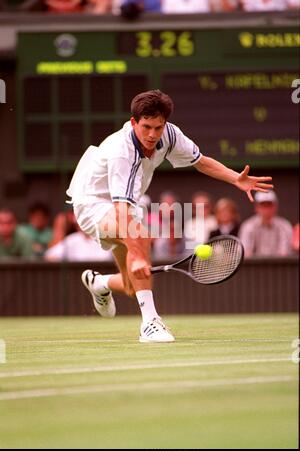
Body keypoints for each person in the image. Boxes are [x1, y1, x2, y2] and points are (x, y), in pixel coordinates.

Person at [66, 89, 273, 343]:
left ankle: (100, 283)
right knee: (138, 234)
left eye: (158, 127)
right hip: (92, 202)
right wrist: (139, 252)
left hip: (122, 202)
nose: (152, 134)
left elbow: (201, 161)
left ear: (165, 124)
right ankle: (150, 323)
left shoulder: (170, 135)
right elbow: (122, 214)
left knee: (133, 286)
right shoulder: (123, 153)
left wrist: (235, 179)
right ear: (134, 123)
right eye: (146, 127)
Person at [239, 190, 293, 257]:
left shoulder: (285, 225)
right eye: (263, 205)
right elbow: (246, 252)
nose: (266, 209)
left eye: (269, 205)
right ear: (256, 207)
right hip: (254, 266)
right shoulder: (248, 226)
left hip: (279, 266)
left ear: (275, 206)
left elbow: (284, 252)